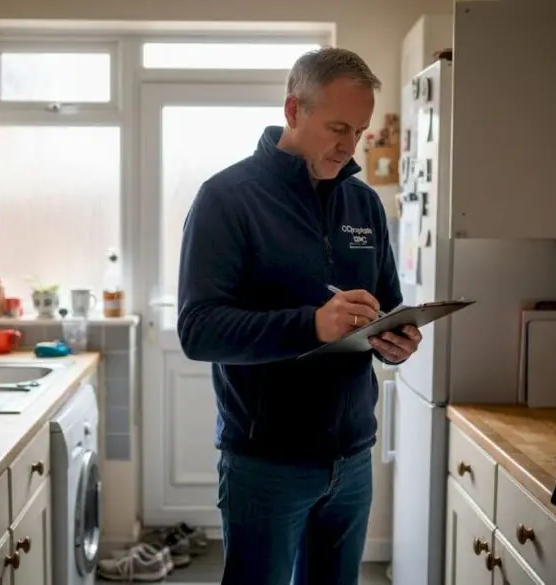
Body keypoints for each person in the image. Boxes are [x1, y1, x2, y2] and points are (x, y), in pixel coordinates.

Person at [176, 47, 422, 585]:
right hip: (266, 464)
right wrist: (311, 324)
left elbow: (386, 305)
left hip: (353, 458)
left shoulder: (363, 204)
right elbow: (199, 331)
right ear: (293, 110)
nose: (348, 144)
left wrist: (397, 339)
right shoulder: (226, 199)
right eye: (337, 126)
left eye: (358, 130)